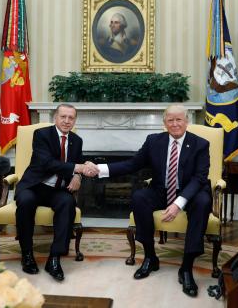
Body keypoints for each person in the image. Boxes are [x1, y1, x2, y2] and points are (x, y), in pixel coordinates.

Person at [88, 104, 212, 297]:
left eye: (179, 119)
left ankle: (186, 267)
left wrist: (178, 203)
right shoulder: (154, 141)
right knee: (139, 197)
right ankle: (150, 257)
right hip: (161, 190)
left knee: (203, 202)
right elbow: (133, 164)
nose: (175, 123)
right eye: (170, 120)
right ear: (164, 123)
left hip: (191, 193)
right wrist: (99, 169)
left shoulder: (200, 144)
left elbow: (199, 178)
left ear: (187, 121)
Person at [14, 104, 94, 281]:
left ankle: (54, 258)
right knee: (25, 201)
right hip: (34, 185)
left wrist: (78, 176)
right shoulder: (42, 135)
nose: (66, 121)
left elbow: (78, 163)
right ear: (55, 118)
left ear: (74, 121)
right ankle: (27, 254)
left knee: (68, 203)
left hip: (57, 189)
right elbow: (47, 163)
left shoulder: (76, 140)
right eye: (63, 117)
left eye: (71, 118)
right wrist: (77, 167)